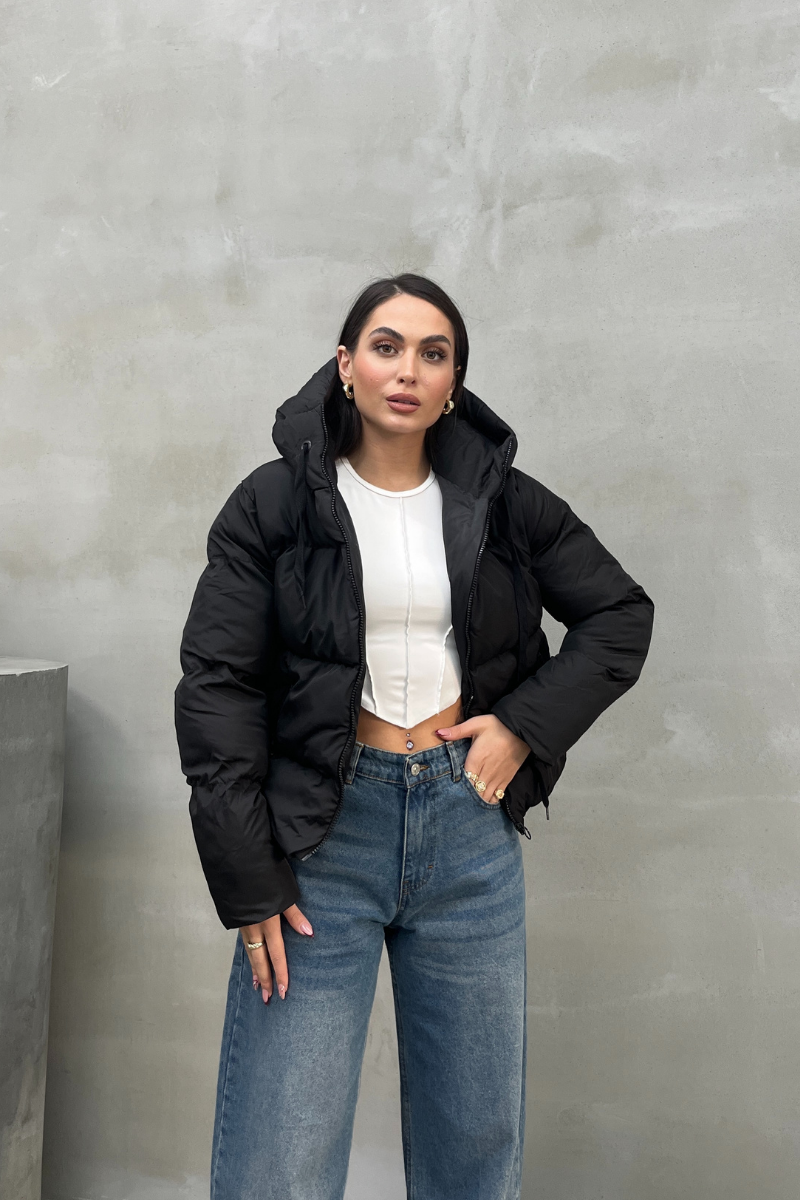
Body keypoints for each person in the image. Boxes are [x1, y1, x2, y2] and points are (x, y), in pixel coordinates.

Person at [174, 273, 655, 1200]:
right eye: (386, 347)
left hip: (467, 832)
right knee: (281, 1157)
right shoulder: (272, 505)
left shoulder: (505, 503)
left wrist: (520, 727)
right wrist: (246, 874)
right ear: (345, 364)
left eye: (433, 354)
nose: (408, 371)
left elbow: (619, 616)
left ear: (453, 382)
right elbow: (217, 687)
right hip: (321, 841)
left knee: (474, 1151)